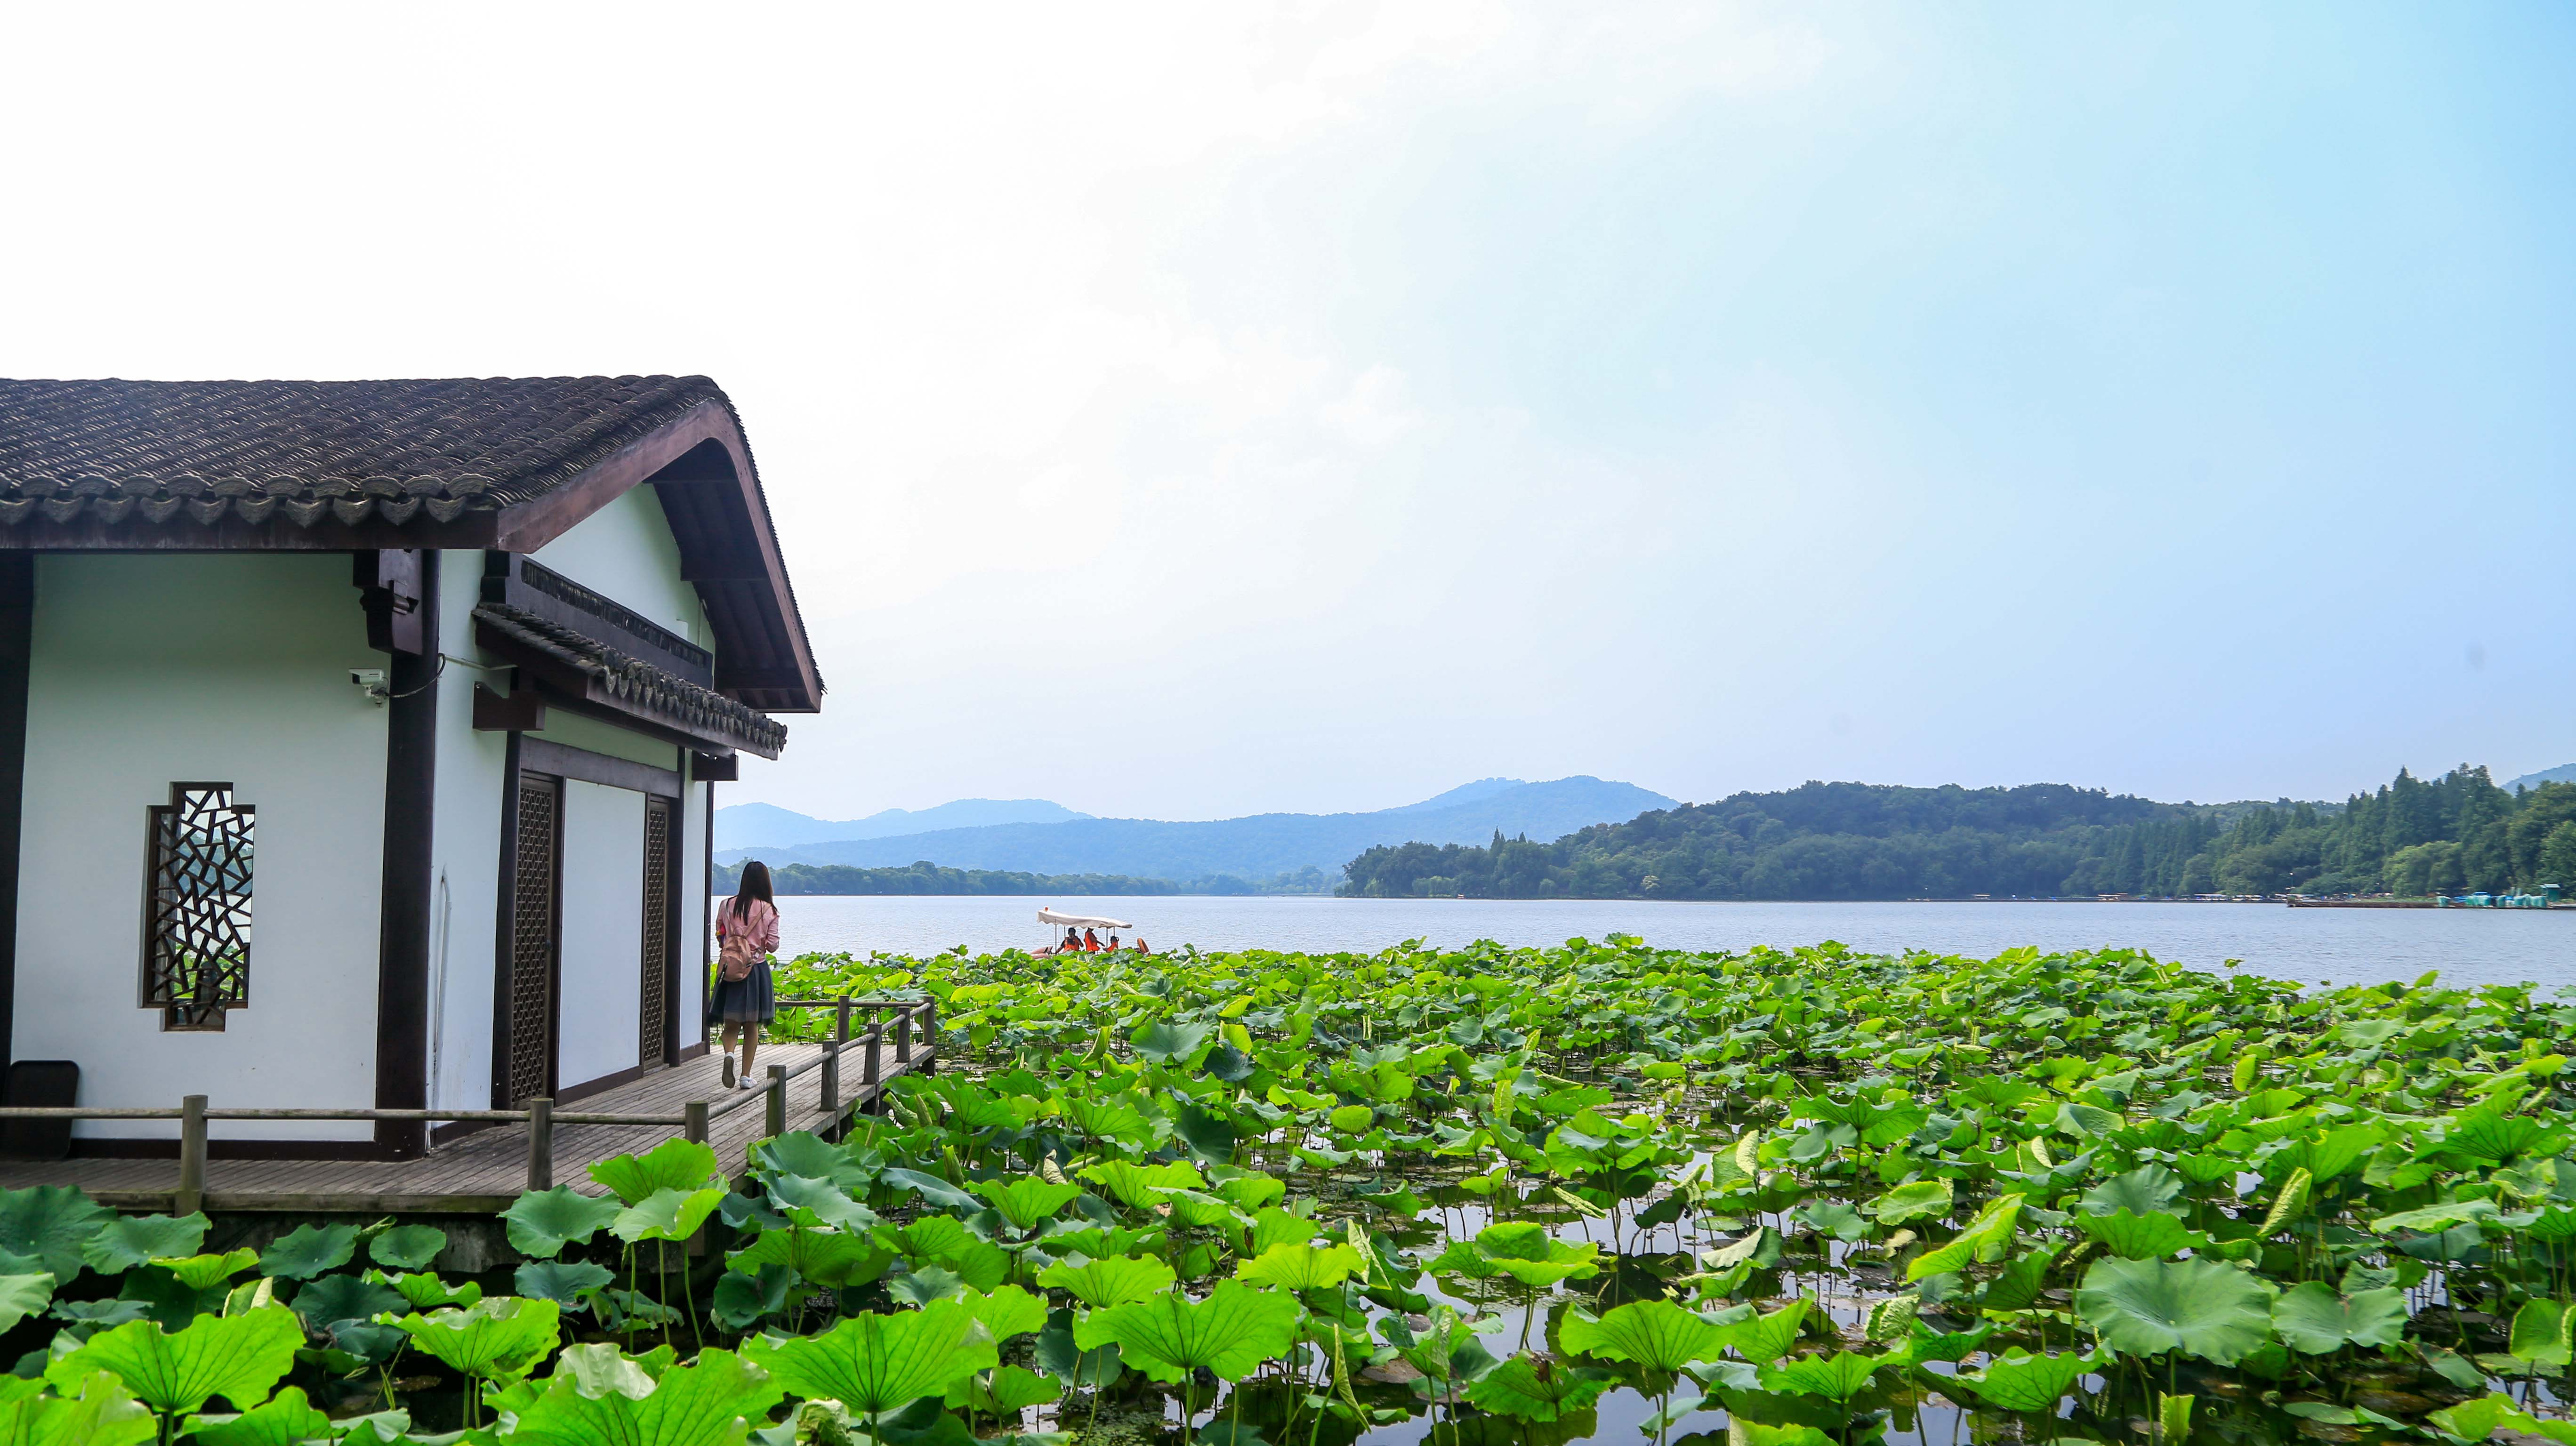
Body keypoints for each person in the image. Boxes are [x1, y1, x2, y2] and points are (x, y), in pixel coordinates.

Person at [709, 860, 780, 1090]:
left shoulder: (726, 905)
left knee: (731, 1025)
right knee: (752, 1027)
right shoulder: (768, 910)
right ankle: (745, 1076)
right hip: (755, 970)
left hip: (729, 971)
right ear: (765, 883)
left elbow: (721, 935)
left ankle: (729, 1054)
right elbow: (772, 945)